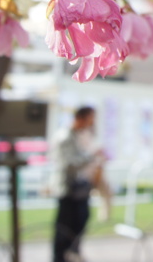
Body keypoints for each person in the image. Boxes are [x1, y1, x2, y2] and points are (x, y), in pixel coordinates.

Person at [50, 106, 104, 262]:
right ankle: (60, 257)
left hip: (80, 188)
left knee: (80, 221)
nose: (92, 122)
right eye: (90, 118)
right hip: (67, 189)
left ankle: (72, 253)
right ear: (81, 118)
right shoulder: (65, 137)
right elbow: (71, 163)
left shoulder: (80, 136)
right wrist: (91, 157)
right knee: (65, 227)